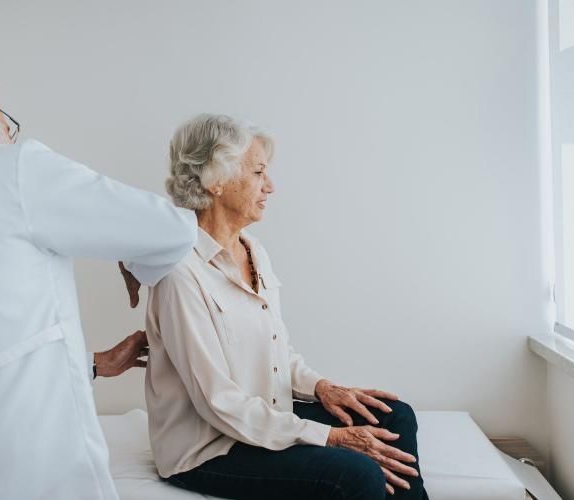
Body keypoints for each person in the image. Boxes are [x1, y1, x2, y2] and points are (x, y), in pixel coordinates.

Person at [0, 66, 197, 500]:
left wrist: (91, 365)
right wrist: (130, 255)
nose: (10, 134)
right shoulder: (14, 167)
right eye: (8, 123)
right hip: (29, 467)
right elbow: (171, 229)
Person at [145, 114, 429, 499]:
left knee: (396, 417)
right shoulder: (180, 273)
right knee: (358, 475)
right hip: (211, 448)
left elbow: (275, 352)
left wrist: (323, 388)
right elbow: (217, 402)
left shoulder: (254, 250)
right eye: (259, 172)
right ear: (215, 180)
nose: (271, 186)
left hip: (265, 420)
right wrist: (328, 436)